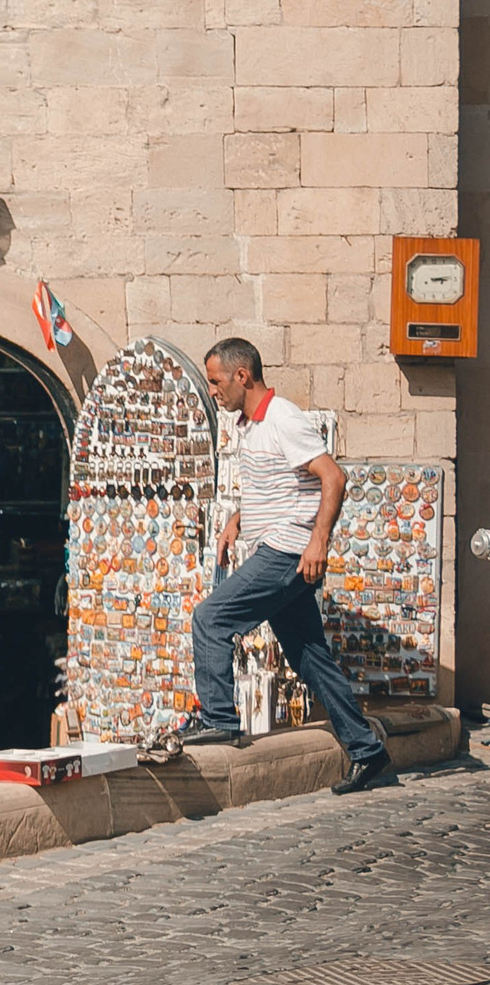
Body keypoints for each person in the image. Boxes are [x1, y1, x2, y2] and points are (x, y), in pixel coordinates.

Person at [151, 337, 392, 792]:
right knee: (310, 659)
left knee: (210, 618)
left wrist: (317, 541)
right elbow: (282, 485)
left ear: (243, 376)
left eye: (217, 381)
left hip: (286, 551)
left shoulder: (282, 417)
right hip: (279, 548)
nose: (214, 390)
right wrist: (237, 521)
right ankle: (367, 749)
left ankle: (219, 718)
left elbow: (332, 476)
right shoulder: (249, 424)